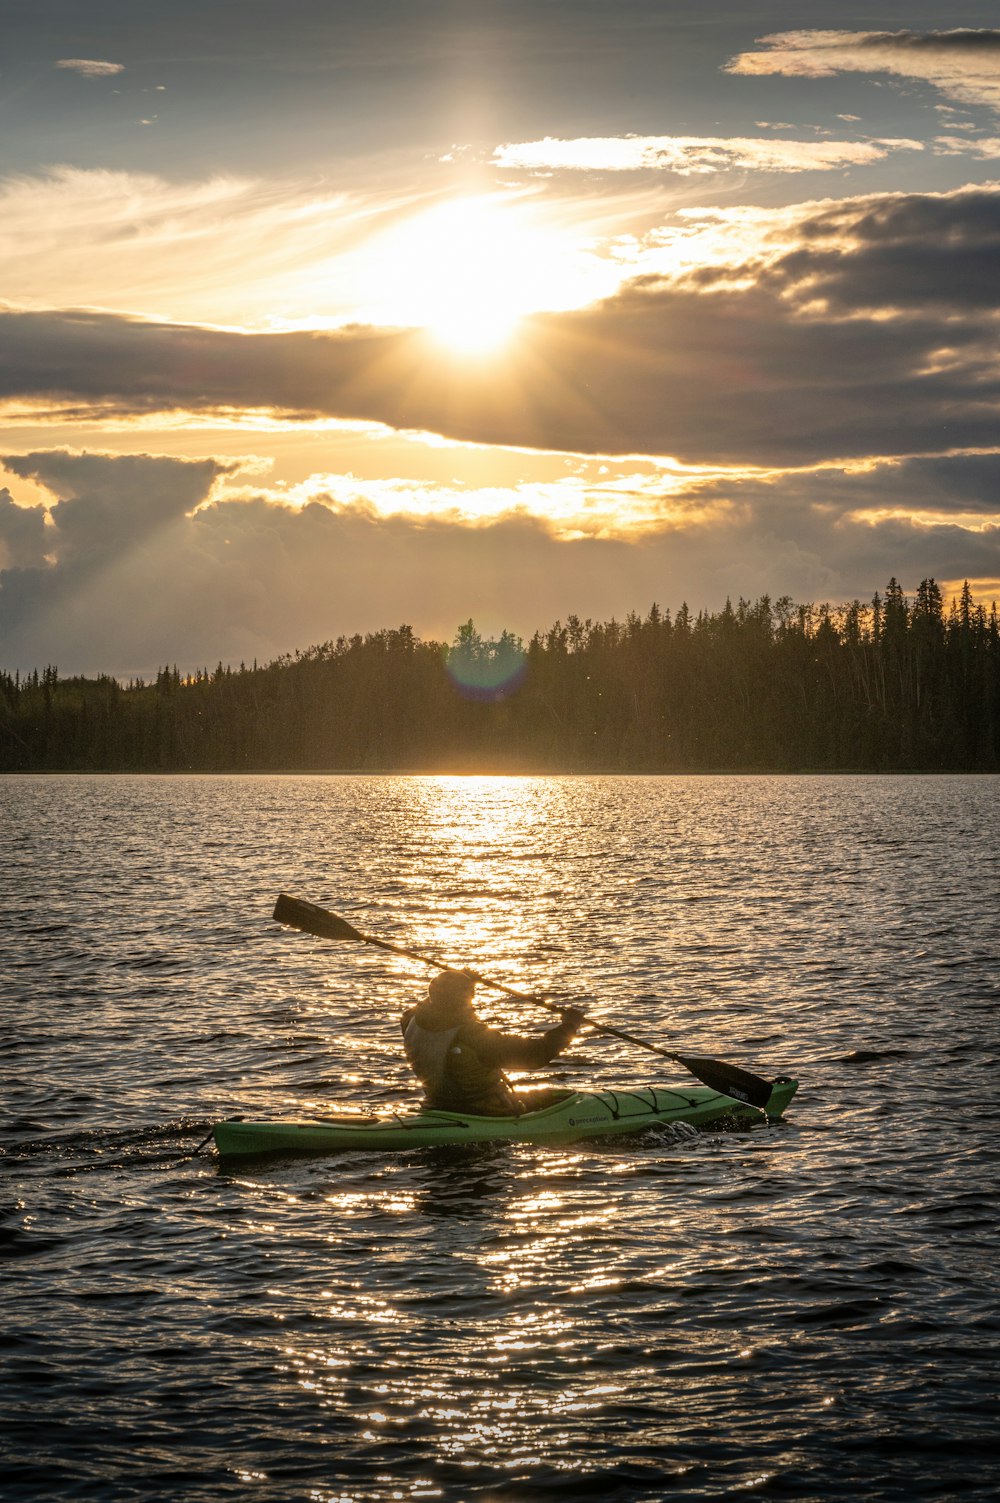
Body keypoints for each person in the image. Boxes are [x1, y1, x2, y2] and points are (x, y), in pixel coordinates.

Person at [401, 969, 586, 1116]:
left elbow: (433, 1002)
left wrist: (463, 980)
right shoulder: (474, 1036)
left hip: (437, 1105)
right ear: (464, 1000)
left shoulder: (410, 1021)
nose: (472, 1001)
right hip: (486, 1111)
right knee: (563, 1099)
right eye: (470, 996)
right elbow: (535, 1054)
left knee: (542, 1095)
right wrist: (569, 1027)